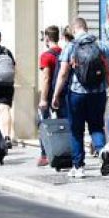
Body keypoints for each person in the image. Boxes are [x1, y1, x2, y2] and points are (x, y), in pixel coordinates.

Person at [52, 17, 109, 178]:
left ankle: (78, 167)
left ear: (74, 29)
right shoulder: (101, 46)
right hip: (98, 94)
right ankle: (101, 150)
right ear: (86, 27)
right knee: (96, 127)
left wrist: (56, 95)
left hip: (76, 94)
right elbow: (108, 73)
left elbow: (63, 73)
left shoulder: (70, 47)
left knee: (76, 130)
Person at [36, 25, 65, 166]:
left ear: (47, 38)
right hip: (63, 94)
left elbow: (46, 79)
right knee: (64, 124)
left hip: (50, 95)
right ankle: (65, 152)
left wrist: (43, 99)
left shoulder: (46, 56)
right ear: (58, 37)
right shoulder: (64, 52)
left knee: (44, 123)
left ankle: (44, 155)